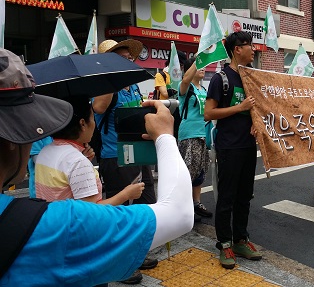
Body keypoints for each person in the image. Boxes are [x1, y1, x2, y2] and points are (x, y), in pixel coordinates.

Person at [0, 48, 193, 286]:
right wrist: (165, 135)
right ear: (11, 138)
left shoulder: (47, 154)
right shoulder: (58, 225)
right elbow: (180, 215)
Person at [92, 39, 159, 283]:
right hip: (115, 156)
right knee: (121, 212)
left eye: (129, 58)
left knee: (145, 204)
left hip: (138, 152)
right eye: (121, 58)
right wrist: (111, 76)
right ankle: (120, 264)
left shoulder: (131, 86)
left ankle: (136, 255)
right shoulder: (105, 84)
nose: (128, 61)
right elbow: (99, 108)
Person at [204, 31, 262, 269]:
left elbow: (256, 109)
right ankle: (224, 244)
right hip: (229, 147)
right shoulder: (221, 79)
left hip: (249, 147)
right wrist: (239, 107)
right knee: (226, 197)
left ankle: (240, 239)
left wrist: (255, 124)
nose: (253, 49)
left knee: (245, 196)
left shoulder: (250, 77)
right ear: (237, 49)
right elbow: (209, 113)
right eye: (249, 45)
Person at [35, 96, 144, 205]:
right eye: (93, 118)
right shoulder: (77, 162)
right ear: (82, 123)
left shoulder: (45, 152)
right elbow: (90, 212)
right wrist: (126, 194)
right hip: (73, 222)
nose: (94, 124)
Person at [178, 57, 213, 218]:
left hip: (203, 134)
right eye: (198, 66)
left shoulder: (204, 90)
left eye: (204, 66)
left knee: (200, 172)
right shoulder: (186, 88)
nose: (202, 68)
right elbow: (185, 79)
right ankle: (183, 207)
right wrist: (198, 59)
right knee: (187, 173)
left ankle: (196, 203)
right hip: (189, 135)